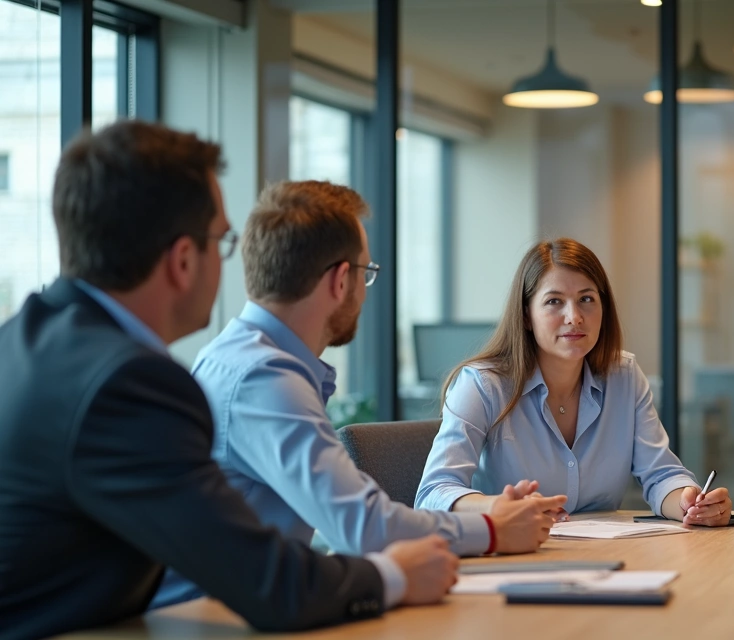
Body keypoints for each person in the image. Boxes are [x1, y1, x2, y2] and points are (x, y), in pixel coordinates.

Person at [0, 122, 458, 639]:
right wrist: (393, 575)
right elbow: (269, 583)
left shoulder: (20, 342)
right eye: (222, 241)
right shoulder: (127, 384)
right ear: (182, 260)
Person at [154, 181, 565, 608]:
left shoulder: (239, 357)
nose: (365, 291)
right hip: (213, 618)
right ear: (339, 280)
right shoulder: (264, 378)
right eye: (366, 273)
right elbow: (362, 526)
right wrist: (494, 528)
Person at [415, 238, 732, 525]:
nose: (574, 317)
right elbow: (434, 493)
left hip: (607, 555)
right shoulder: (482, 385)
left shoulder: (624, 377)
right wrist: (498, 507)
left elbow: (661, 474)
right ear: (526, 315)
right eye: (554, 301)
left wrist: (690, 503)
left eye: (587, 299)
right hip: (513, 553)